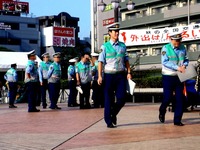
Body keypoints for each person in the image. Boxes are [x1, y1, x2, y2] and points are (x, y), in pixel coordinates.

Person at [98, 22, 132, 128]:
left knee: (122, 98)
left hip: (120, 75)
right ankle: (108, 121)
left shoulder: (122, 46)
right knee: (109, 98)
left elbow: (126, 60)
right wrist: (99, 75)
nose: (117, 33)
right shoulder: (105, 47)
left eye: (118, 31)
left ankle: (113, 113)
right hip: (109, 75)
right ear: (110, 33)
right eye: (115, 31)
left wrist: (129, 72)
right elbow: (100, 61)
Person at [159, 31, 189, 126]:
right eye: (175, 41)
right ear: (170, 40)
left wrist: (184, 65)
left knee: (180, 98)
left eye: (179, 41)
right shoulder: (165, 48)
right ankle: (162, 110)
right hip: (168, 76)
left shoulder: (183, 48)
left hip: (179, 76)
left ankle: (177, 120)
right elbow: (165, 62)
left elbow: (186, 59)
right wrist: (177, 67)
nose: (177, 43)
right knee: (167, 98)